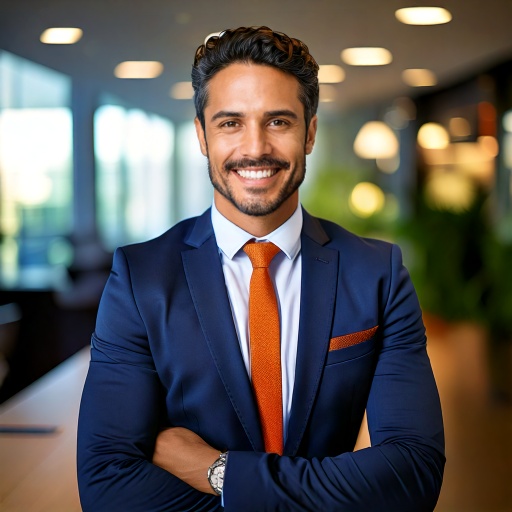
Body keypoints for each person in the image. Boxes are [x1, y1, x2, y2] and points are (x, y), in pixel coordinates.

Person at [77, 26, 445, 511]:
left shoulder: (377, 273)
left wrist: (222, 473)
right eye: (230, 123)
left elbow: (413, 471)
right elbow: (106, 484)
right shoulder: (140, 277)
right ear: (201, 135)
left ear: (310, 132)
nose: (255, 148)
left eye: (278, 122)